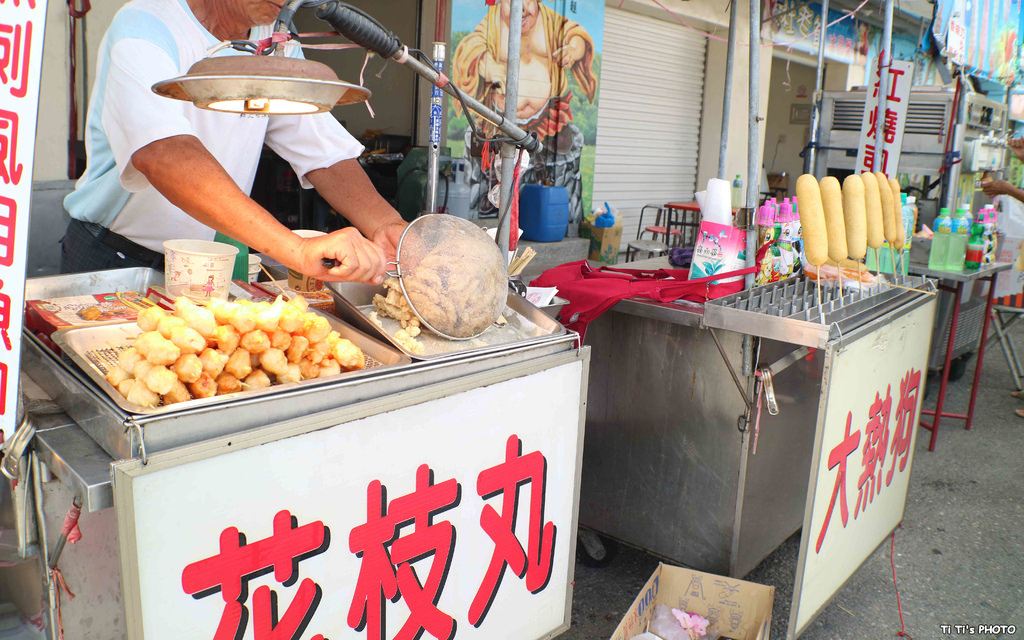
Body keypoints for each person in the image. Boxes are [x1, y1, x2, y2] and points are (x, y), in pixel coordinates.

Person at [61, 0, 406, 286]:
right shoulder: (146, 25)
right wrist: (297, 250)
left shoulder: (275, 41)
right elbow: (162, 152)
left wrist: (387, 227)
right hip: (114, 257)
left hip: (206, 265)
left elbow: (322, 150)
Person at [451, 0, 596, 220]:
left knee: (554, 163)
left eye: (531, 2)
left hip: (547, 121)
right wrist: (487, 65)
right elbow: (472, 47)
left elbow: (576, 34)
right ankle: (491, 208)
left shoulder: (549, 20)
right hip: (501, 121)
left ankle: (541, 215)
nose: (525, 8)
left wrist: (574, 49)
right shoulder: (494, 22)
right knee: (496, 171)